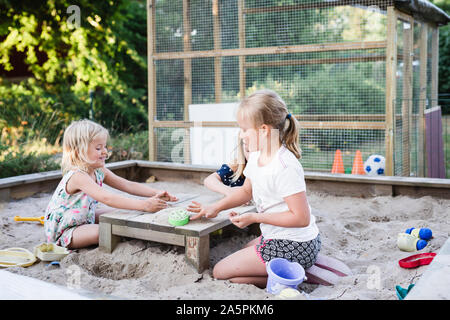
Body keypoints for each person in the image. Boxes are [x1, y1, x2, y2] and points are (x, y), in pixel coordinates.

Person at [188, 89, 321, 288]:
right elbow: (245, 192)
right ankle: (287, 271)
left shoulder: (285, 166)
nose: (241, 136)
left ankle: (291, 276)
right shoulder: (258, 156)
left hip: (297, 245)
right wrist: (215, 208)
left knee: (220, 272)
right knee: (247, 248)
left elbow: (301, 218)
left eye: (244, 129)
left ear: (264, 130)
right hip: (276, 236)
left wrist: (255, 218)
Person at [44, 119, 177, 249]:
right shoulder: (78, 176)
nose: (105, 152)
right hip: (66, 230)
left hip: (83, 216)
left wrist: (155, 193)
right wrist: (144, 205)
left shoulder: (99, 170)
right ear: (78, 152)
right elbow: (107, 198)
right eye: (98, 148)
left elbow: (127, 185)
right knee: (103, 231)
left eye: (104, 146)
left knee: (122, 212)